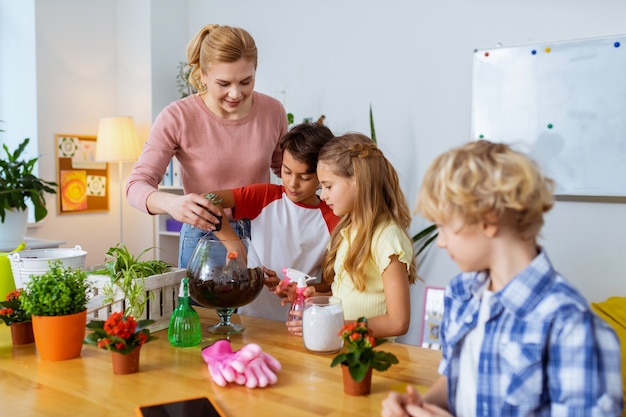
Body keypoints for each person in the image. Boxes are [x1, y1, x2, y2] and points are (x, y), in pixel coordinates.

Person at [381, 140, 623, 417]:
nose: (440, 242)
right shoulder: (462, 294)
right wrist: (419, 407)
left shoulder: (572, 325)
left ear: (488, 219)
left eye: (444, 227)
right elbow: (458, 380)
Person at [126, 24, 287, 268]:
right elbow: (135, 185)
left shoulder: (272, 111)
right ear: (202, 75)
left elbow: (286, 170)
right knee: (201, 308)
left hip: (263, 233)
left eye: (246, 81)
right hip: (204, 237)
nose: (235, 93)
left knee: (261, 307)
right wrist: (172, 203)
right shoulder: (177, 116)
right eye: (223, 83)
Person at [203, 123, 340, 322]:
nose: (293, 183)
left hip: (297, 322)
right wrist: (234, 244)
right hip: (249, 317)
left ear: (323, 175)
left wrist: (296, 288)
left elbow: (331, 286)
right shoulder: (265, 196)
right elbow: (208, 200)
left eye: (305, 177)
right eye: (287, 171)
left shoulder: (333, 220)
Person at [286, 133, 418, 339]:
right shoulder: (346, 231)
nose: (323, 195)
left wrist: (333, 326)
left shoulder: (386, 237)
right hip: (345, 349)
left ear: (358, 181)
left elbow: (397, 322)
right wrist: (320, 299)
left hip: (369, 357)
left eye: (328, 186)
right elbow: (353, 297)